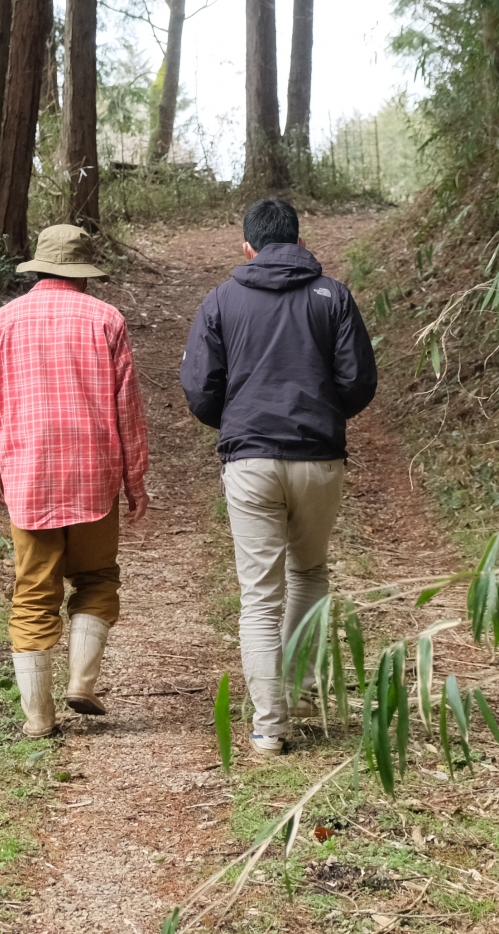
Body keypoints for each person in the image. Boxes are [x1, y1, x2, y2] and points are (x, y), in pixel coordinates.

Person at [179, 197, 378, 753]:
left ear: (247, 247)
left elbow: (199, 387)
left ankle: (270, 725)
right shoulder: (332, 296)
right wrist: (320, 413)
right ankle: (300, 688)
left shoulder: (221, 300)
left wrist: (238, 420)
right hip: (318, 458)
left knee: (259, 596)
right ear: (300, 241)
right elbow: (358, 380)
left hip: (249, 462)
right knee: (309, 572)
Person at [0, 223, 151, 738]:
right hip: (94, 478)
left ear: (40, 269)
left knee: (32, 592)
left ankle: (38, 718)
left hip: (28, 478)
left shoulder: (4, 321)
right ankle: (81, 682)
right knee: (97, 579)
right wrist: (135, 482)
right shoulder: (106, 319)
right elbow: (128, 411)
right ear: (83, 275)